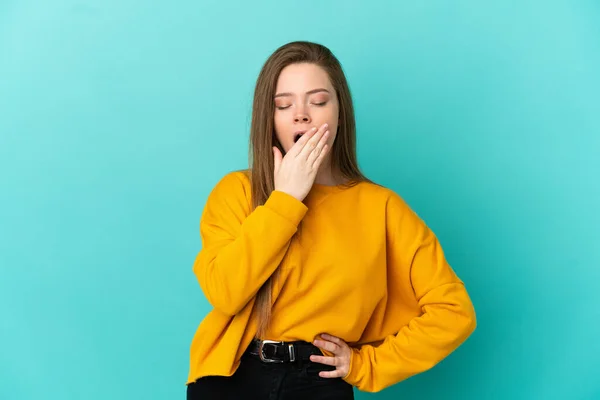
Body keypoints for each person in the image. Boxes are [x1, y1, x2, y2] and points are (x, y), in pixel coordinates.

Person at [185, 40, 476, 399]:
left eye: (318, 101)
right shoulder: (236, 192)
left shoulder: (381, 207)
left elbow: (453, 311)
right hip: (231, 376)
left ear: (340, 113)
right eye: (283, 104)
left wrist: (367, 365)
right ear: (270, 118)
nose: (301, 114)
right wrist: (286, 200)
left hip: (318, 382)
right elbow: (225, 292)